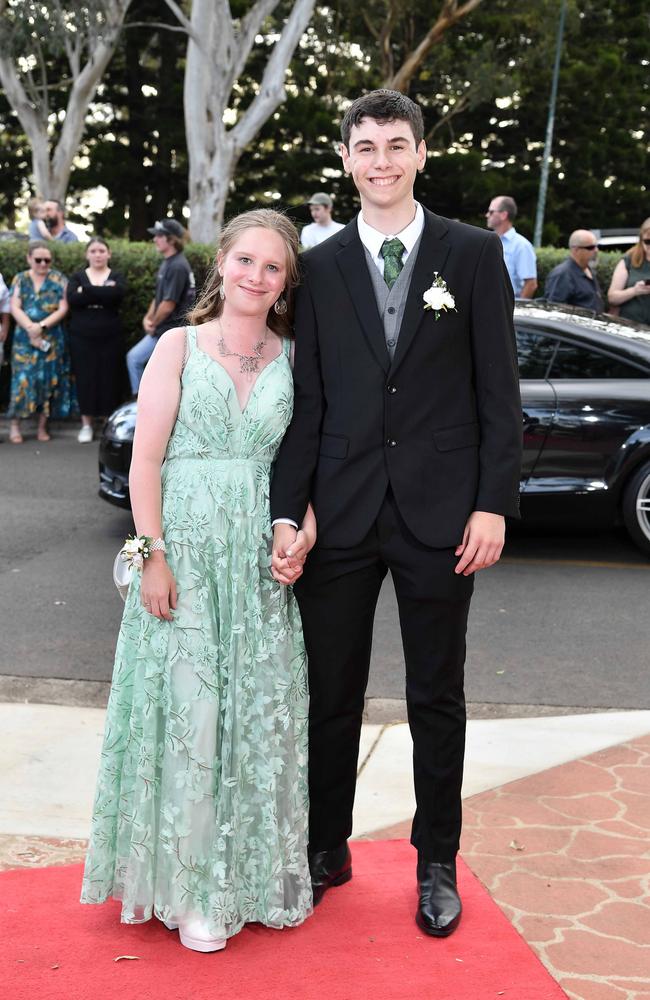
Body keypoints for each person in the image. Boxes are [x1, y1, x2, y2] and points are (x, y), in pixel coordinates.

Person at [270, 90, 522, 938]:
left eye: (396, 145)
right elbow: (310, 403)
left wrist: (491, 503)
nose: (381, 160)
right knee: (329, 695)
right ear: (346, 160)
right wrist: (287, 513)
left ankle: (437, 861)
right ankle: (324, 847)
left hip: (442, 514)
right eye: (366, 147)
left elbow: (500, 395)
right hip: (339, 512)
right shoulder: (321, 264)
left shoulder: (475, 254)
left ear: (420, 155)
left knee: (435, 698)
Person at [81, 209, 315, 953]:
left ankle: (242, 875)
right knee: (192, 718)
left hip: (254, 563)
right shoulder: (177, 346)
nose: (256, 275)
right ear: (221, 265)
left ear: (285, 284)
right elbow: (145, 461)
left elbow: (297, 465)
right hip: (181, 551)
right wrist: (151, 555)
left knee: (250, 713)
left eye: (272, 267)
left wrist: (301, 529)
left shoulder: (293, 357)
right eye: (244, 260)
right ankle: (189, 891)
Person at [7, 241, 75, 444]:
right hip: (24, 339)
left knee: (47, 381)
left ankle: (42, 427)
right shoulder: (20, 279)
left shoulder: (59, 278)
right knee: (21, 381)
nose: (43, 264)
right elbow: (14, 306)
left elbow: (63, 308)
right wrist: (31, 328)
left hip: (51, 337)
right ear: (29, 258)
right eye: (38, 260)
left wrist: (41, 327)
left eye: (47, 260)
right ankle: (14, 426)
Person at [67, 238, 127, 442]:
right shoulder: (78, 276)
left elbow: (117, 296)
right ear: (87, 254)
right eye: (93, 251)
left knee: (110, 377)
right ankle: (86, 425)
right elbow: (73, 299)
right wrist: (103, 292)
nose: (98, 254)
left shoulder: (116, 275)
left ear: (109, 254)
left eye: (102, 250)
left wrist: (88, 291)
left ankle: (107, 422)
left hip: (111, 336)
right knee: (86, 378)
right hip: (81, 336)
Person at [126, 218, 196, 394]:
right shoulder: (169, 262)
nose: (155, 239)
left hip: (170, 330)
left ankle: (141, 405)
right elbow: (159, 298)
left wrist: (153, 324)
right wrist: (147, 319)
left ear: (171, 239)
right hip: (162, 328)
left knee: (134, 359)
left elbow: (168, 304)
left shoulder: (177, 266)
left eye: (159, 236)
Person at [485, 195, 538, 298]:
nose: (487, 215)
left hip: (508, 309)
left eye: (491, 212)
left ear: (503, 215)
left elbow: (531, 284)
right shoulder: (489, 241)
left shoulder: (522, 246)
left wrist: (516, 310)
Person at [544, 230, 603, 311]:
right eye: (590, 248)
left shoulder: (588, 270)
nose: (596, 251)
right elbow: (555, 309)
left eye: (597, 246)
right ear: (576, 250)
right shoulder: (563, 274)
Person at [607, 217, 650, 325]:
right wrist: (634, 291)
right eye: (648, 241)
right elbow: (612, 297)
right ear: (641, 240)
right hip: (629, 327)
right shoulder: (630, 259)